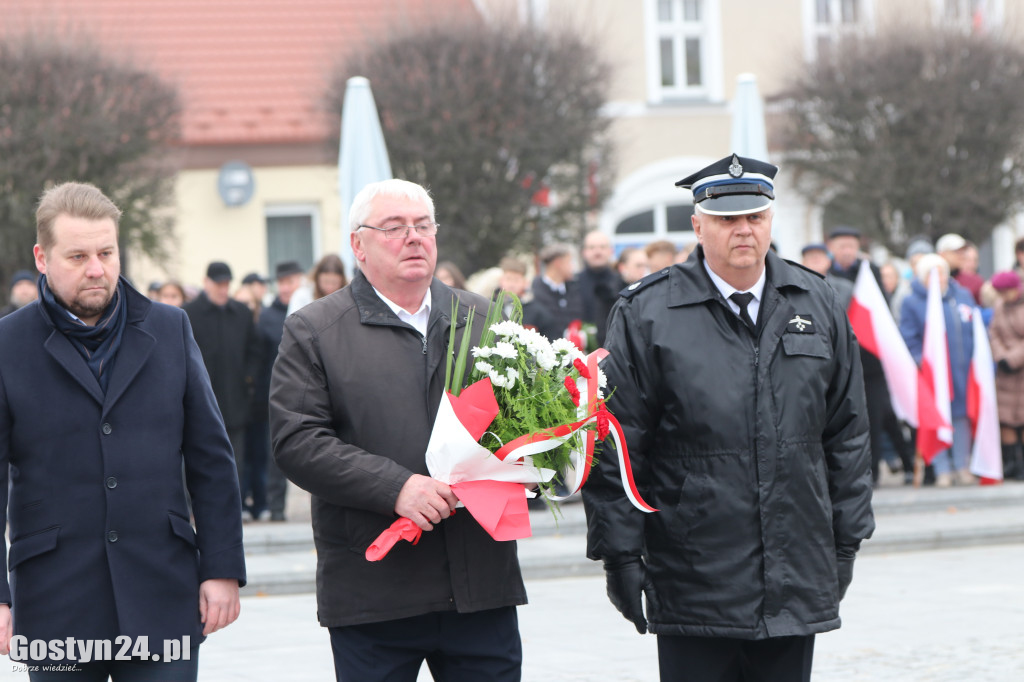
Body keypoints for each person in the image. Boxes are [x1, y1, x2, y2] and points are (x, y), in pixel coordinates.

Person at [583, 154, 873, 682]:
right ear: (697, 225)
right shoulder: (647, 312)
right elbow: (618, 442)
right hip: (694, 570)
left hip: (796, 565)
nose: (743, 229)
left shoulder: (818, 300)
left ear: (770, 221)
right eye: (726, 219)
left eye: (755, 217)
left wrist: (847, 539)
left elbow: (847, 431)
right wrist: (619, 554)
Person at [270, 179, 526, 681]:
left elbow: (521, 423)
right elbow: (296, 441)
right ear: (358, 246)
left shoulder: (482, 318)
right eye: (394, 227)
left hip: (480, 584)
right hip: (376, 590)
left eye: (423, 226)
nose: (414, 237)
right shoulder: (316, 330)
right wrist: (397, 487)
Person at [0, 182, 245, 678]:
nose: (97, 268)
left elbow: (211, 458)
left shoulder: (171, 328)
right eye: (78, 255)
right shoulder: (7, 343)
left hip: (163, 590)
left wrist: (221, 568)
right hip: (55, 599)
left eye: (106, 252)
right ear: (42, 258)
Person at [899, 253, 976, 487]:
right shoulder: (912, 302)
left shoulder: (962, 295)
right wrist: (921, 360)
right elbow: (909, 337)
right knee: (937, 417)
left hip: (962, 370)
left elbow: (975, 328)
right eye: (932, 273)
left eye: (941, 271)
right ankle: (942, 469)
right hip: (933, 374)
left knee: (961, 418)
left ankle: (962, 466)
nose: (939, 277)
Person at [184, 262, 262, 486]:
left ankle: (232, 504)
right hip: (200, 401)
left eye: (226, 284)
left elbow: (255, 351)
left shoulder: (241, 313)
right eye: (218, 284)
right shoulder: (189, 314)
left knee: (235, 458)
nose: (223, 289)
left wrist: (248, 378)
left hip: (235, 399)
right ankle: (195, 506)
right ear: (206, 283)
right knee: (200, 455)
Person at [254, 260, 307, 522]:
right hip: (274, 393)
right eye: (283, 283)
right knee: (274, 452)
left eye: (292, 282)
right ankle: (276, 507)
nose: (287, 288)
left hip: (308, 392)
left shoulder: (311, 311)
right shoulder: (267, 317)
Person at [989, 271, 1024, 480]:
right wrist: (1000, 356)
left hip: (1018, 367)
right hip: (1007, 374)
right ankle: (1011, 463)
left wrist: (1013, 358)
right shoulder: (999, 307)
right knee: (1008, 420)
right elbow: (993, 333)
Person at [531, 242, 584, 341]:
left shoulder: (575, 289)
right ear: (558, 263)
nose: (572, 267)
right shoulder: (535, 293)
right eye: (569, 262)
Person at [576, 230, 622, 346]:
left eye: (602, 247)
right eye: (592, 248)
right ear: (584, 252)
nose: (597, 252)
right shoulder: (572, 282)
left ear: (611, 251)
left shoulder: (622, 283)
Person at [497, 255, 554, 335]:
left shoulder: (537, 311)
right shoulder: (490, 305)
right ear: (500, 281)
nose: (511, 284)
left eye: (516, 280)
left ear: (525, 283)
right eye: (508, 279)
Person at [936, 233, 984, 305]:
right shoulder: (931, 279)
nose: (961, 255)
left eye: (963, 251)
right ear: (942, 254)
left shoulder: (974, 281)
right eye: (956, 251)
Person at [800, 242, 853, 308]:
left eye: (820, 255)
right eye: (810, 255)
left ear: (829, 262)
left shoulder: (845, 288)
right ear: (803, 263)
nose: (815, 258)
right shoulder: (797, 288)